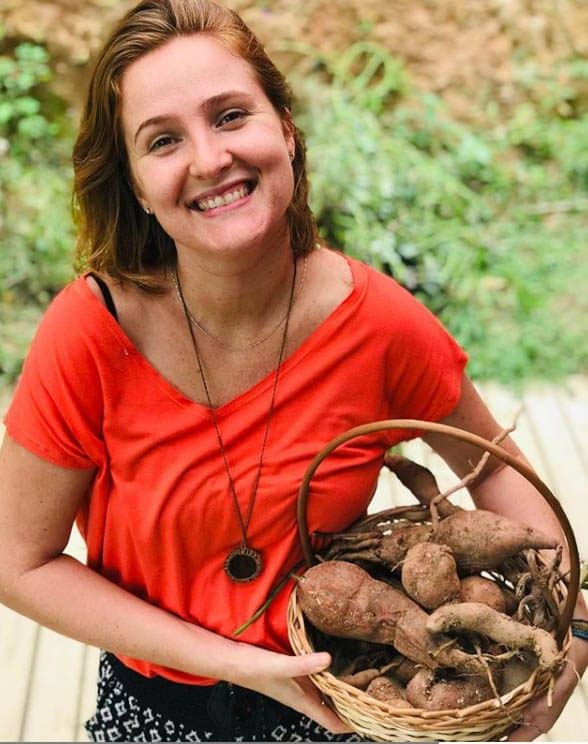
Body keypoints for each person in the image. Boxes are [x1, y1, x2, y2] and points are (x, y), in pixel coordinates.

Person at [0, 0, 586, 740]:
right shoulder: (92, 333)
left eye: (231, 115)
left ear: (285, 126)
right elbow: (17, 562)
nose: (210, 159)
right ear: (138, 189)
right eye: (163, 140)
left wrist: (577, 633)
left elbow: (501, 471)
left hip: (351, 708)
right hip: (154, 714)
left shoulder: (379, 324)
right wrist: (230, 659)